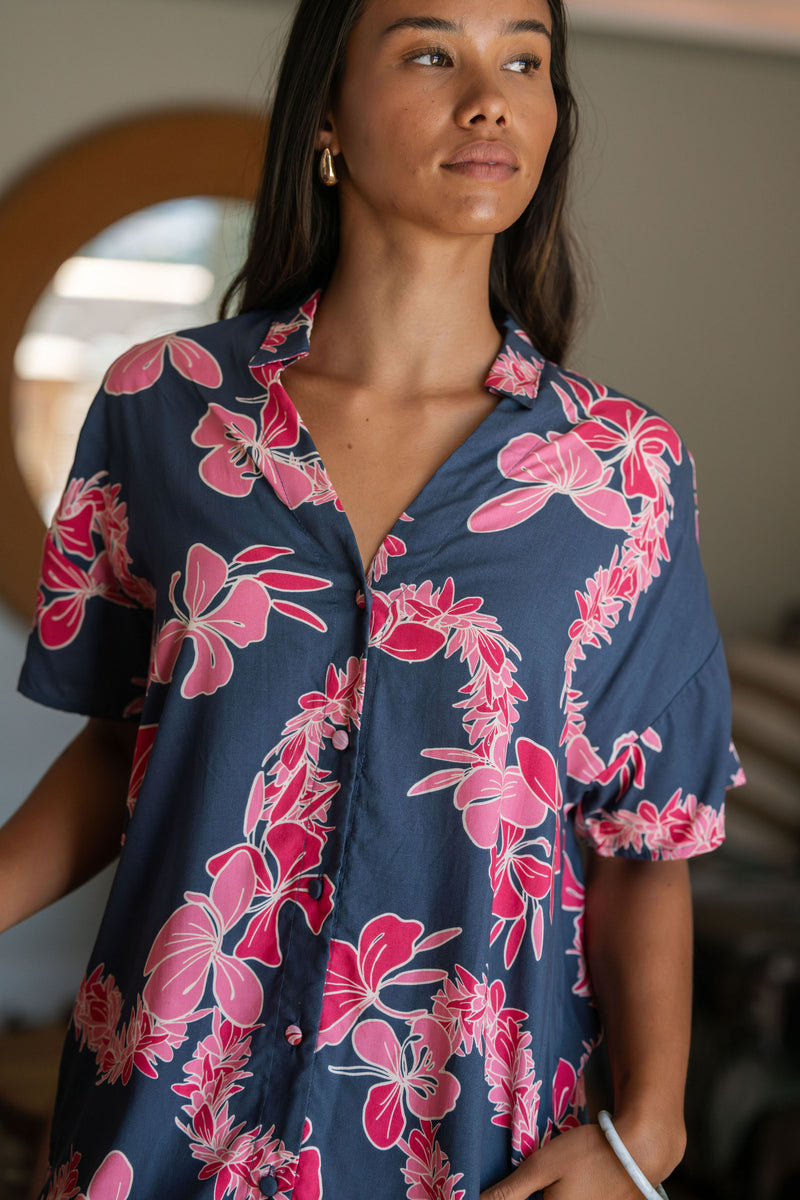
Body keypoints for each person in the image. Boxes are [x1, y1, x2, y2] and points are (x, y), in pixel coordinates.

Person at [1, 1, 743, 1198]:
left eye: (525, 60)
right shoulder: (164, 406)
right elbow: (122, 747)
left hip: (465, 1142)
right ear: (328, 118)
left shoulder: (622, 471)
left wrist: (645, 1132)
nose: (488, 94)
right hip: (160, 1111)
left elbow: (643, 838)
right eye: (430, 52)